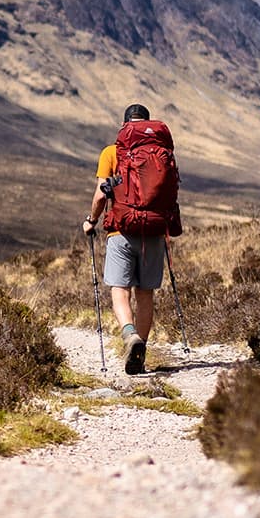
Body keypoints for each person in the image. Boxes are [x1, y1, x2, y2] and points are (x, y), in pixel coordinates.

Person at [82, 102, 181, 374]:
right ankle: (141, 352)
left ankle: (130, 336)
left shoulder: (112, 152)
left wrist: (91, 221)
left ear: (125, 125)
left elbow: (102, 194)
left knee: (119, 289)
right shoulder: (162, 154)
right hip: (154, 232)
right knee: (145, 293)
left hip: (122, 231)